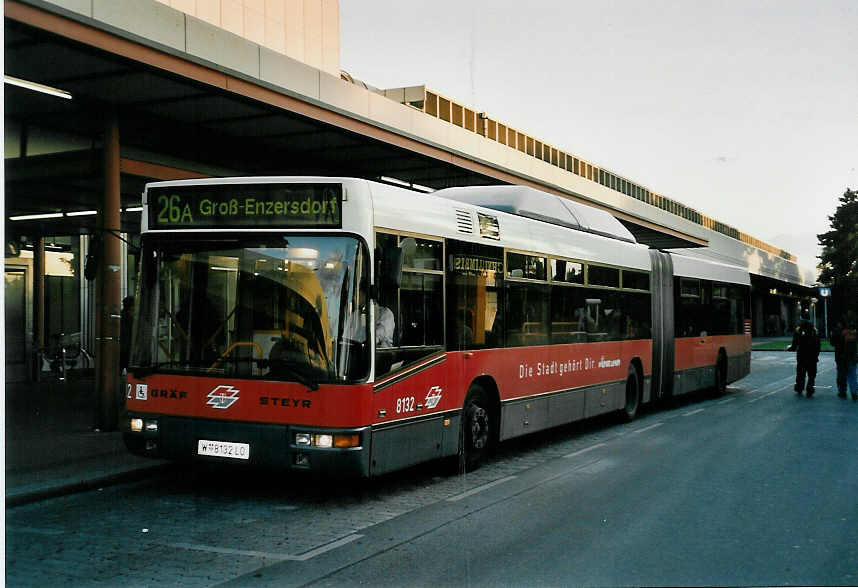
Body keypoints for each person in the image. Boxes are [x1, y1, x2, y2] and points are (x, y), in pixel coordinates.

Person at [788, 311, 820, 397]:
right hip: (812, 355)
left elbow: (795, 342)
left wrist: (791, 348)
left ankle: (799, 387)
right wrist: (816, 354)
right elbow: (818, 343)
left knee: (801, 373)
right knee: (812, 374)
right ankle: (810, 389)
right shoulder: (814, 329)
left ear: (801, 319)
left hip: (802, 354)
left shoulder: (799, 329)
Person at [842, 318, 858, 401]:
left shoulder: (846, 336)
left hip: (848, 359)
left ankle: (853, 392)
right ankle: (854, 391)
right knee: (854, 376)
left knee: (850, 377)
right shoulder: (854, 336)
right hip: (853, 358)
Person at [831, 320, 847, 397]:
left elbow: (832, 343)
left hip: (839, 355)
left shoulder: (836, 332)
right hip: (849, 354)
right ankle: (853, 390)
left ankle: (841, 390)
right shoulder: (848, 331)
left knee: (841, 372)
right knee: (851, 373)